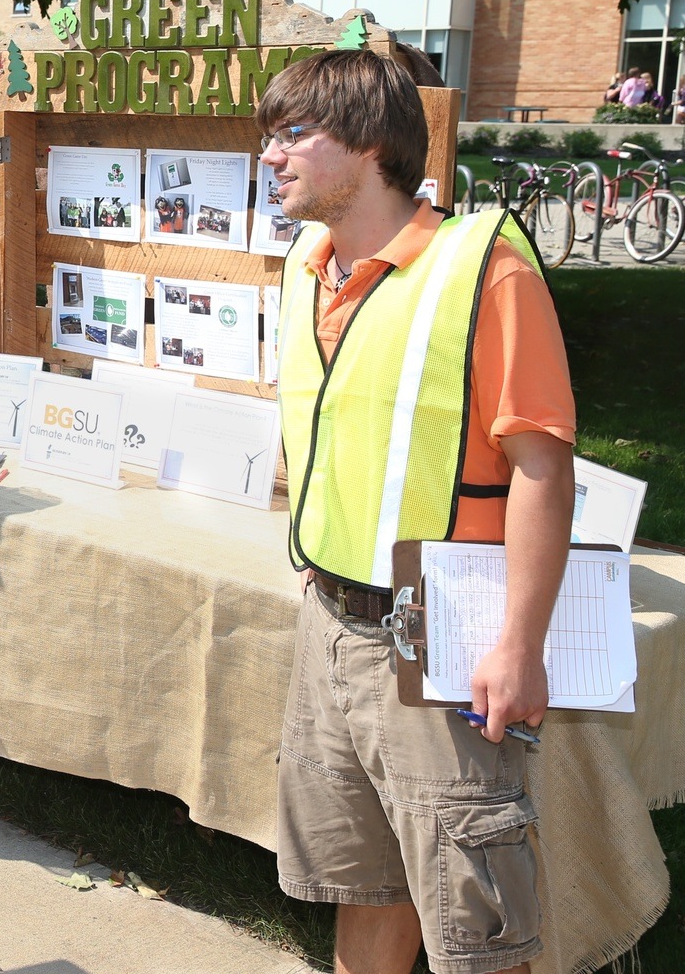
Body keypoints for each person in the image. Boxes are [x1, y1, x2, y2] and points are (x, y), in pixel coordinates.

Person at [263, 49, 575, 974]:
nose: (269, 157)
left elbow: (542, 470)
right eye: (266, 136)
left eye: (291, 134)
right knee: (365, 887)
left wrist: (518, 647)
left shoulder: (486, 270)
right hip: (329, 621)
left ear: (366, 143)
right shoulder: (306, 266)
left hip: (443, 644)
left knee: (477, 926)